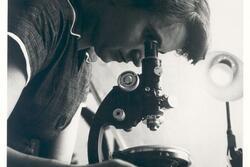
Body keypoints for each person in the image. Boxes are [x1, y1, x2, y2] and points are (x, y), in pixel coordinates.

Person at [7, 0, 210, 166]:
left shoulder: (83, 63)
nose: (140, 59)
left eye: (157, 53)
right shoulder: (43, 17)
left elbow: (58, 161)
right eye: (149, 38)